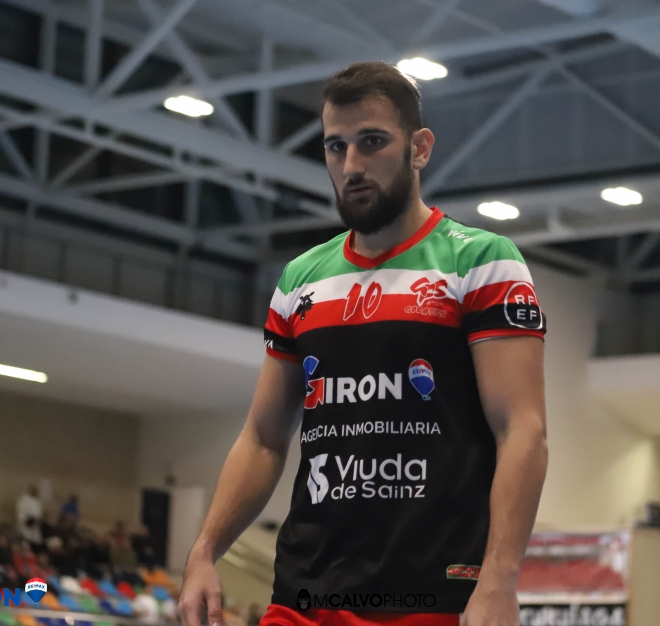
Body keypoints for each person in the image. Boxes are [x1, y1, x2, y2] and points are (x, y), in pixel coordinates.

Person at [178, 61, 548, 626]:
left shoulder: (481, 262)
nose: (351, 165)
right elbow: (263, 438)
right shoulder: (301, 280)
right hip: (305, 595)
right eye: (336, 146)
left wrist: (500, 578)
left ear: (419, 148)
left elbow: (522, 430)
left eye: (372, 141)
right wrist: (204, 550)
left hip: (430, 598)